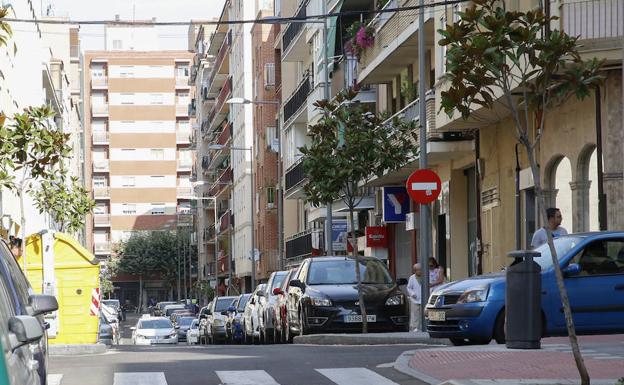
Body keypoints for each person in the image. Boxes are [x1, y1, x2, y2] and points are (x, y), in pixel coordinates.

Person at [406, 263, 422, 332]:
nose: (419, 271)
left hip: (423, 298)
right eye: (418, 270)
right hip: (415, 299)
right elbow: (409, 287)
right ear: (415, 271)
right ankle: (415, 327)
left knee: (423, 313)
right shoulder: (412, 278)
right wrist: (412, 294)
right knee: (415, 313)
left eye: (420, 270)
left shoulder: (425, 276)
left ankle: (422, 326)